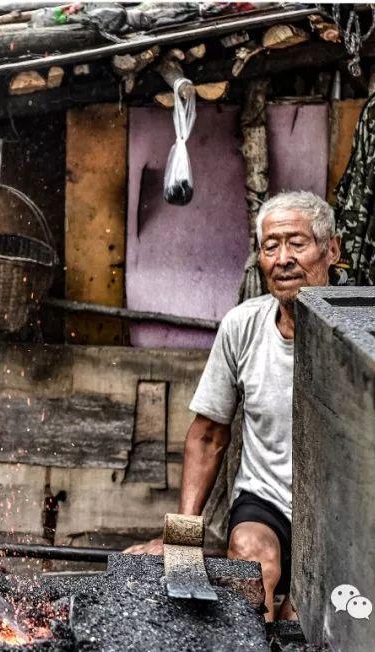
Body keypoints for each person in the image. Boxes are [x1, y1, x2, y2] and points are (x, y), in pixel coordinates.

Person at [125, 191, 340, 622]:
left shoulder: (354, 335)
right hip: (267, 502)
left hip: (339, 510)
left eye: (297, 244)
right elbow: (208, 435)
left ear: (331, 250)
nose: (282, 259)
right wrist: (183, 537)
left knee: (308, 622)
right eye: (270, 246)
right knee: (249, 562)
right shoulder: (242, 325)